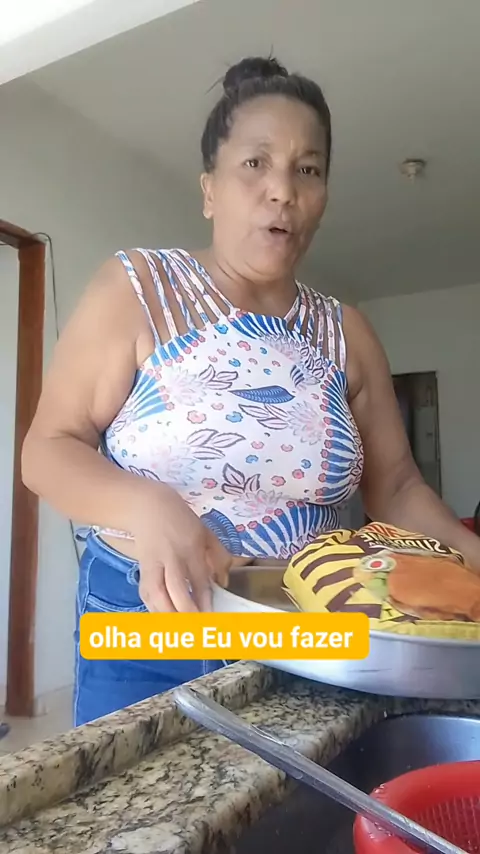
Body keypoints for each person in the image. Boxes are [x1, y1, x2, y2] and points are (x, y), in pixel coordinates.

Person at [22, 56, 480, 726]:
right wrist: (146, 504)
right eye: (255, 163)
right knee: (145, 795)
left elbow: (398, 488)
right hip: (151, 620)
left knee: (302, 788)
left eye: (308, 169)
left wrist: (474, 557)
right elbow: (47, 448)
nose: (282, 191)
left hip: (307, 629)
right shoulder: (138, 288)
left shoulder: (348, 333)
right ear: (209, 189)